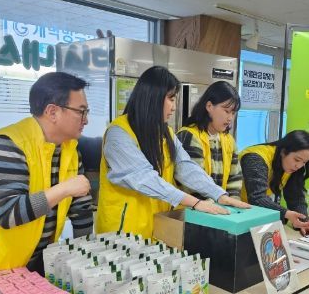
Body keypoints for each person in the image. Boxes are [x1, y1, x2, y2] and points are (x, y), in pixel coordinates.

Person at [0, 72, 94, 294]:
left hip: (28, 264)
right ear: (52, 112)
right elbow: (9, 214)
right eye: (81, 111)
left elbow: (81, 207)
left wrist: (83, 257)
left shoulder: (69, 149)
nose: (86, 120)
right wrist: (64, 189)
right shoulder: (7, 145)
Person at [96, 66, 249, 238]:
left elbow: (185, 167)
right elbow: (144, 178)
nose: (174, 107)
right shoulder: (119, 133)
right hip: (123, 231)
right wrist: (195, 202)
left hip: (158, 225)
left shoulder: (165, 132)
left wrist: (218, 194)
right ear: (153, 97)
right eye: (170, 98)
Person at [240, 131, 309, 237]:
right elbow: (257, 198)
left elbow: (296, 197)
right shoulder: (255, 158)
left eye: (304, 162)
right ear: (283, 151)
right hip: (231, 213)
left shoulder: (291, 165)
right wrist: (286, 213)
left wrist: (304, 222)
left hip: (251, 215)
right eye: (297, 160)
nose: (299, 166)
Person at [177, 81, 243, 199]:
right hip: (192, 208)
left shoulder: (229, 141)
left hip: (220, 207)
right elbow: (194, 184)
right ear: (209, 106)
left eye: (233, 113)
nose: (230, 118)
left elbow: (234, 181)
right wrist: (218, 204)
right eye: (226, 111)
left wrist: (232, 203)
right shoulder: (189, 136)